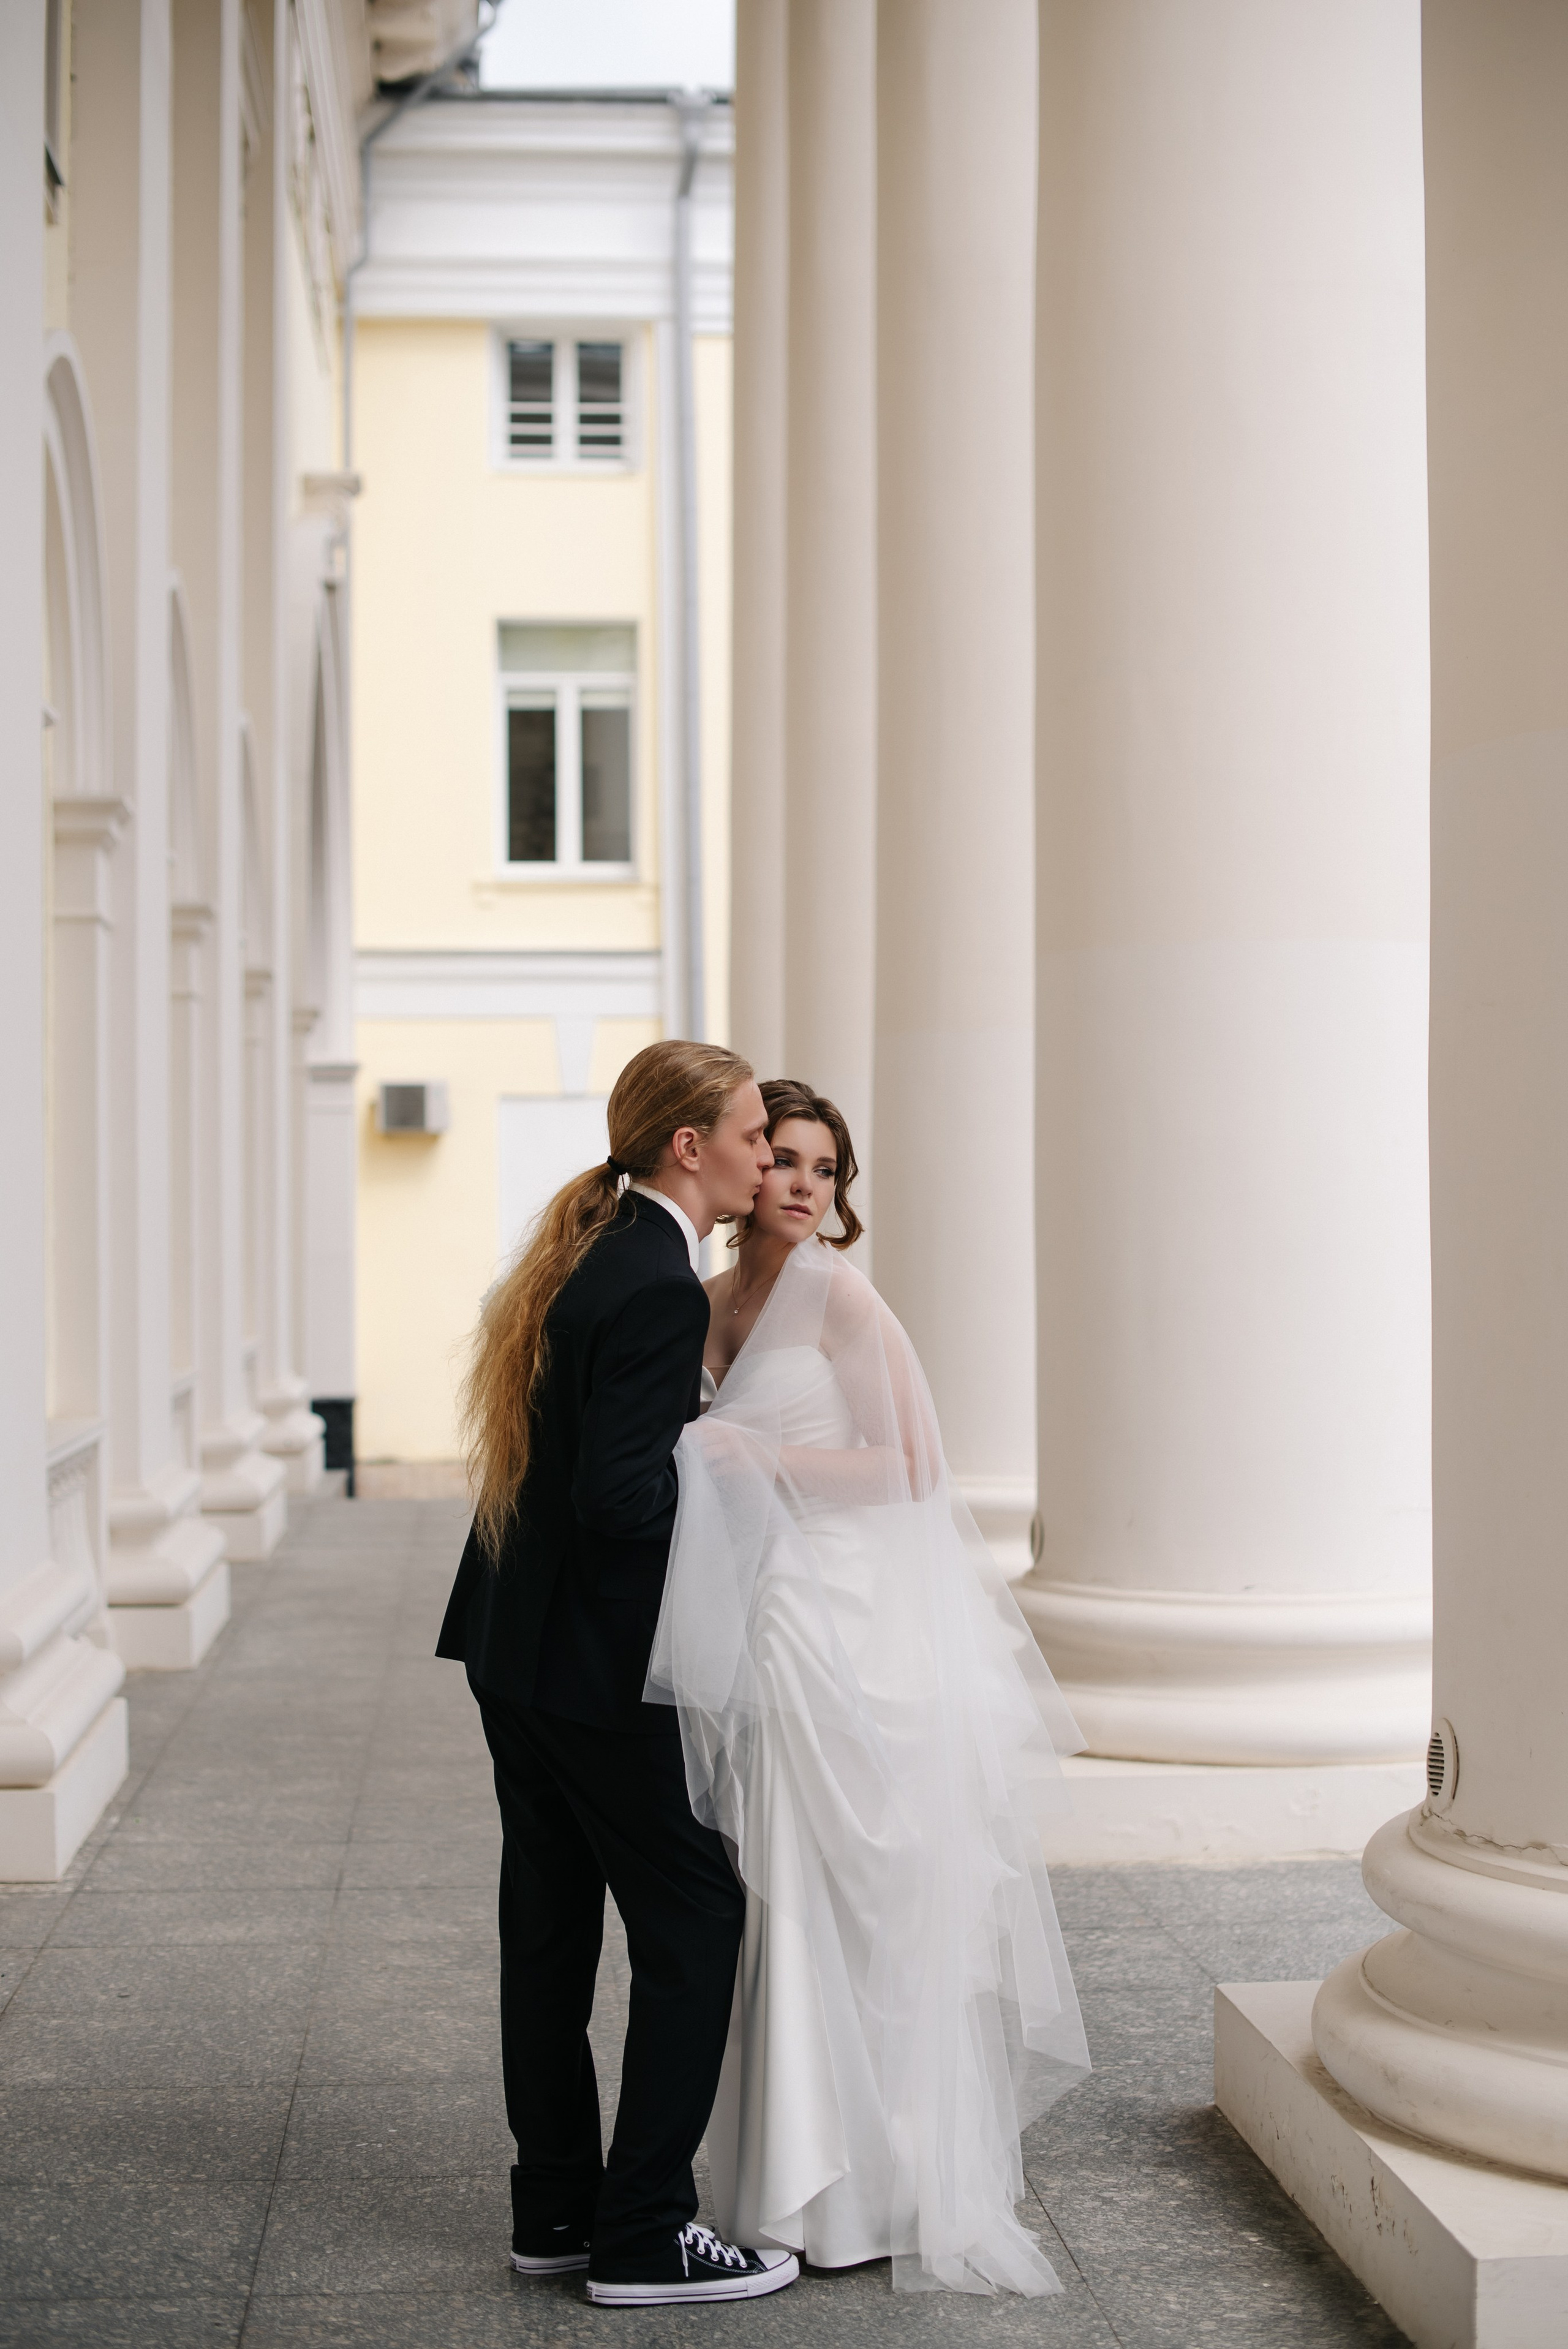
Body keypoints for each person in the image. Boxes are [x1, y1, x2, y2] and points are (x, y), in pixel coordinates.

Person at [649, 1079, 1091, 2295]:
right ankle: (781, 2175)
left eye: (824, 1169)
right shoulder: (707, 1299)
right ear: (744, 1170)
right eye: (783, 1158)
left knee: (847, 1901)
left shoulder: (837, 1295)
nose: (801, 1184)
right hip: (765, 1615)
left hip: (850, 1627)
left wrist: (756, 1453)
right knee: (766, 1889)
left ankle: (872, 2186)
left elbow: (909, 1467)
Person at [437, 1039, 801, 2308]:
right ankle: (644, 2232)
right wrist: (732, 1453)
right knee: (697, 1916)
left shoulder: (598, 1251)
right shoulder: (656, 1280)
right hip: (595, 1667)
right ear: (686, 1147)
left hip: (513, 1649)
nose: (768, 1155)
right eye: (754, 1135)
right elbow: (618, 1498)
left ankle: (554, 2211)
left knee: (546, 1931)